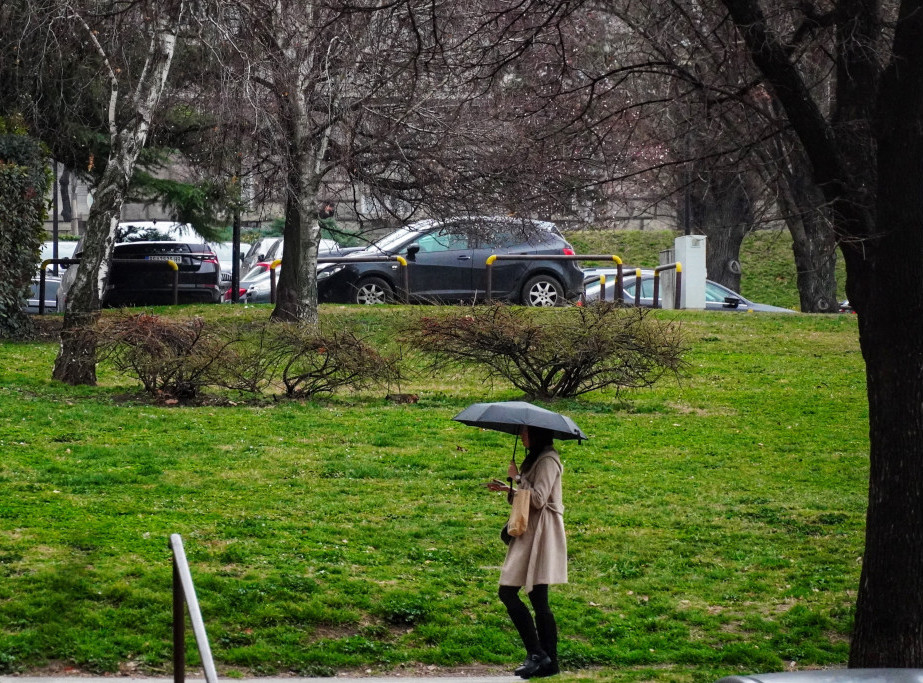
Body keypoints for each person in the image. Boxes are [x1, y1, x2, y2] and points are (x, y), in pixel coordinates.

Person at [486, 425, 566, 679]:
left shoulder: (548, 460)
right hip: (530, 532)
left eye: (525, 432)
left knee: (514, 593)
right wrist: (509, 489)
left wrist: (517, 479)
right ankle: (547, 661)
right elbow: (528, 497)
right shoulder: (536, 458)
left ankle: (539, 655)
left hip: (541, 533)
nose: (521, 436)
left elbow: (540, 499)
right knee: (534, 597)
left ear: (537, 434)